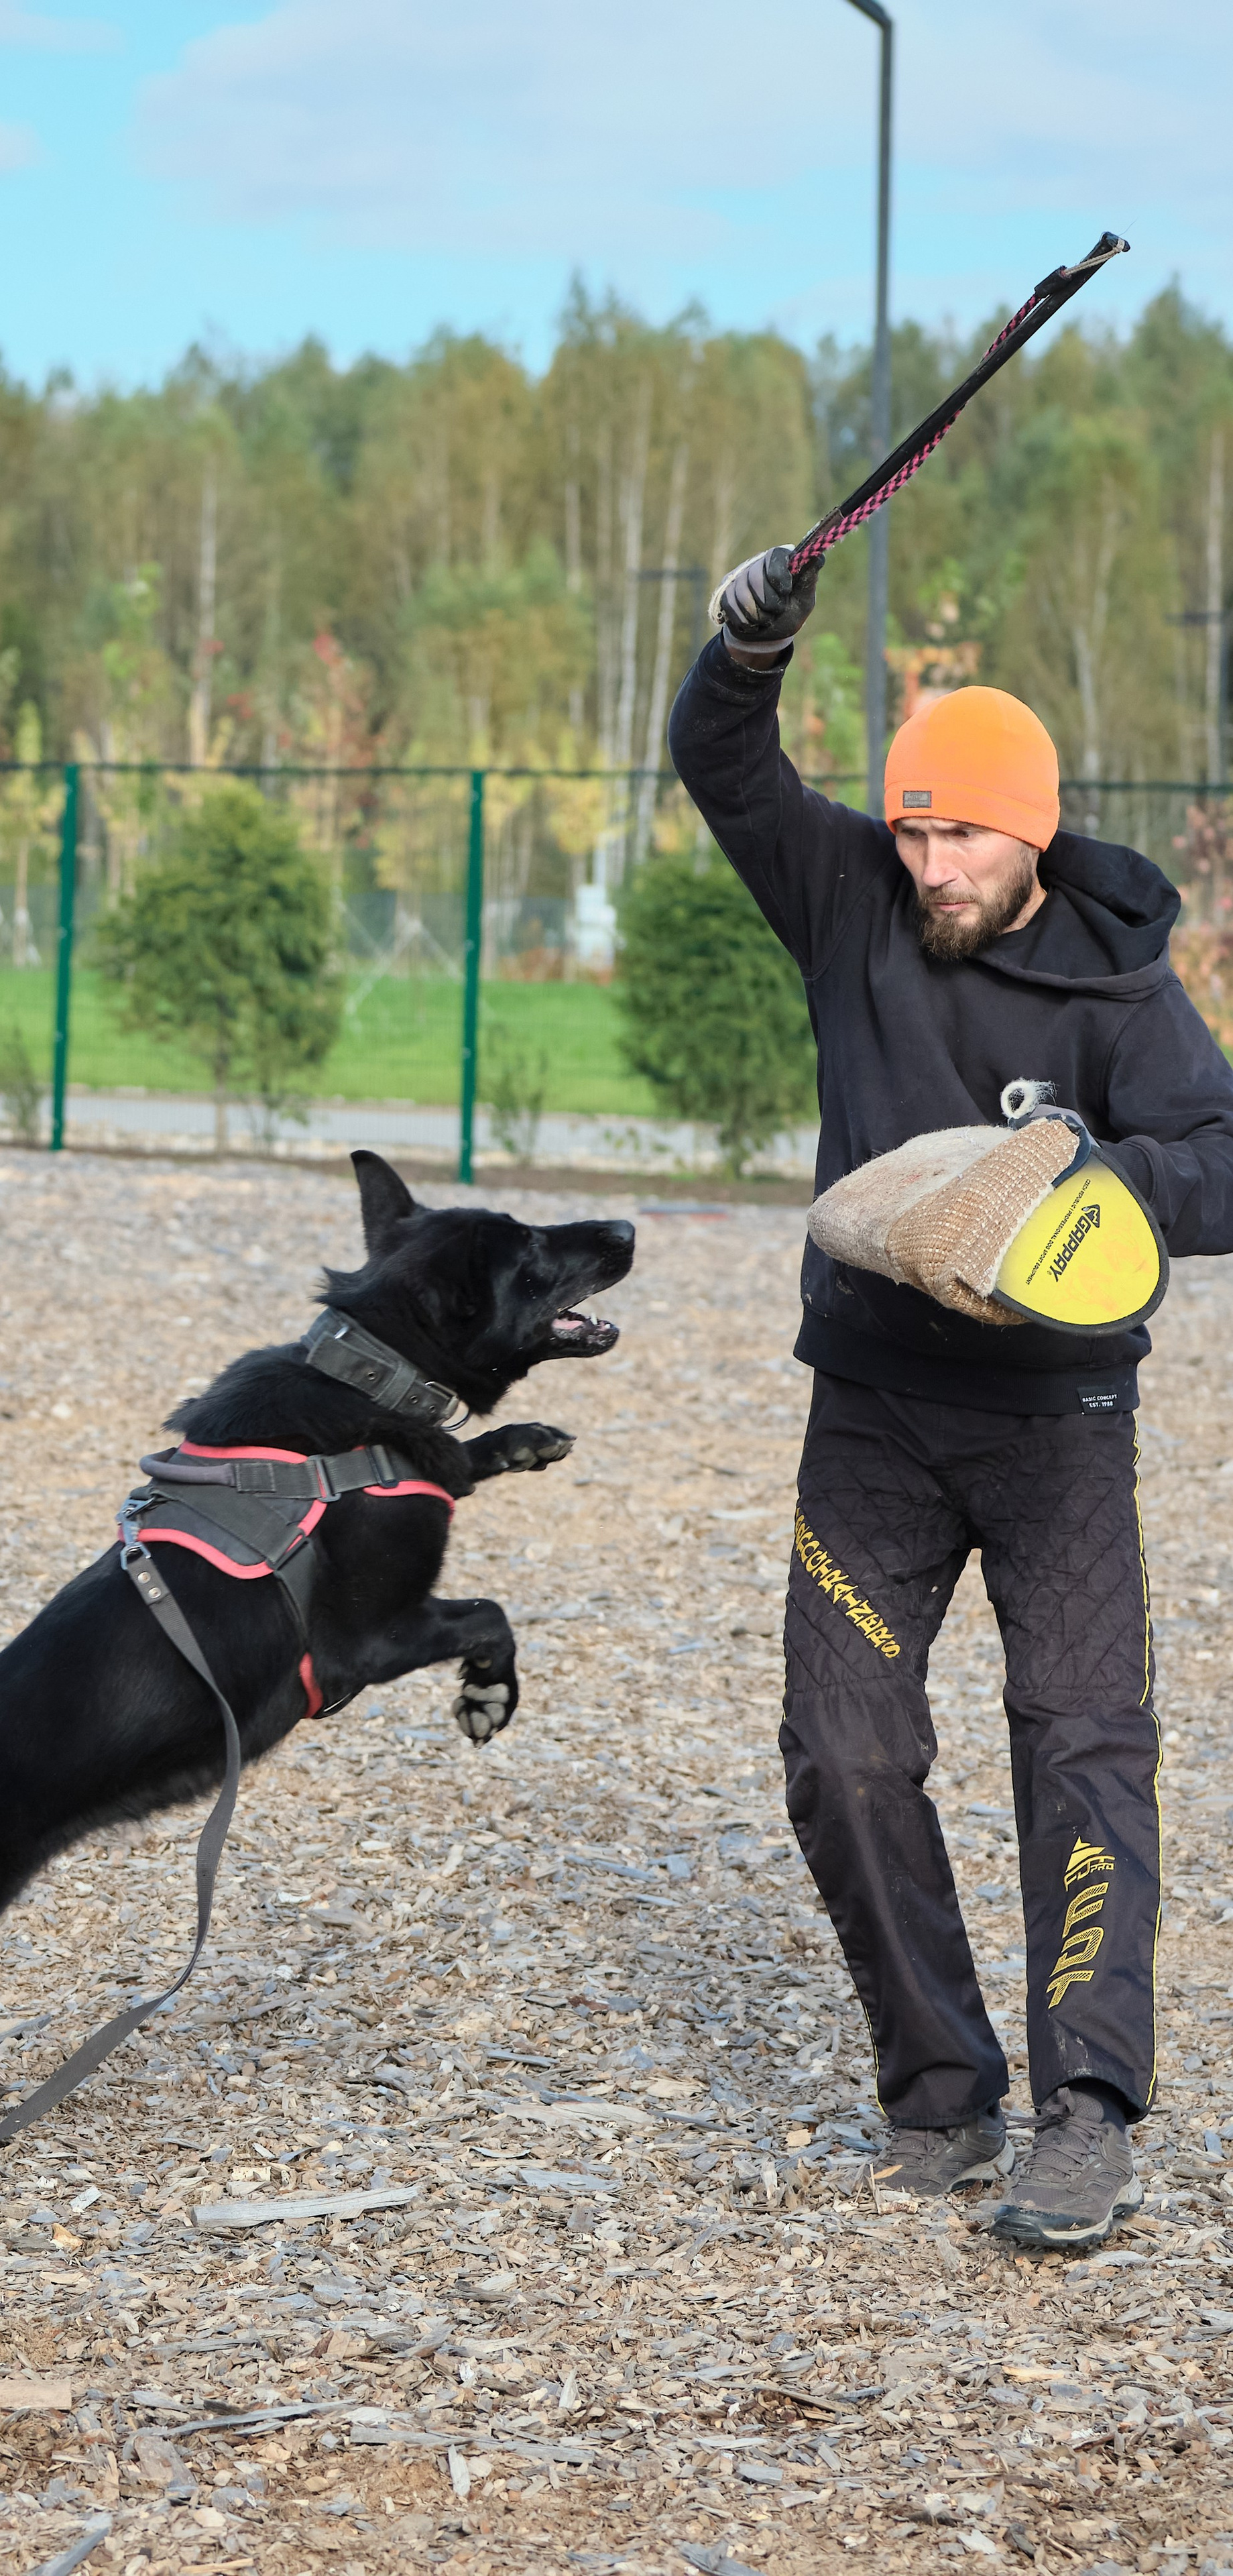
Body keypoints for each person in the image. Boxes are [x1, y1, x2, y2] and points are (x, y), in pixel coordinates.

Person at [666, 544, 1233, 2248]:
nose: (928, 865)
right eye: (913, 830)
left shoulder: (1119, 985)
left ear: (1029, 832)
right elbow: (722, 763)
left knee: (1080, 1745)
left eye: (962, 836)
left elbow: (1218, 1159)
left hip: (1058, 1427)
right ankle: (938, 2090)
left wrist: (1079, 1177)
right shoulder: (849, 901)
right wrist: (746, 645)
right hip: (872, 1413)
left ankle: (1086, 2114)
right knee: (839, 1751)